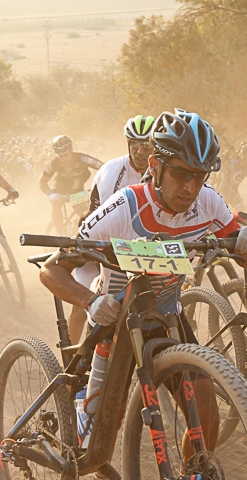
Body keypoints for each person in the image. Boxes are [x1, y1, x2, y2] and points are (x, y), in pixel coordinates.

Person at [40, 109, 247, 480]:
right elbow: (52, 270)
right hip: (117, 318)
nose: (190, 187)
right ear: (155, 166)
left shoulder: (209, 202)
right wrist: (90, 301)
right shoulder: (124, 207)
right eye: (180, 174)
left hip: (167, 316)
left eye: (200, 176)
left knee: (205, 409)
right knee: (100, 428)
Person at [65, 115, 155, 343]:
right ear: (128, 143)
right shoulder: (112, 172)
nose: (140, 152)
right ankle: (70, 358)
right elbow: (104, 226)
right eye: (135, 145)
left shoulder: (159, 171)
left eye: (146, 145)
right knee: (85, 302)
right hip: (97, 244)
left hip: (135, 247)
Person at [38, 135, 103, 234]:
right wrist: (50, 194)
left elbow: (105, 167)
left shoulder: (83, 159)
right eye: (60, 156)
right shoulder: (55, 163)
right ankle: (60, 234)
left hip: (77, 191)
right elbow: (42, 181)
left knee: (87, 213)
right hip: (60, 188)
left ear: (71, 150)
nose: (64, 159)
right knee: (56, 203)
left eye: (66, 155)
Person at [218, 142, 247, 210]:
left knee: (242, 211)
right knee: (222, 212)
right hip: (222, 191)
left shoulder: (246, 168)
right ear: (244, 155)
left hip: (234, 192)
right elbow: (219, 173)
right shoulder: (233, 162)